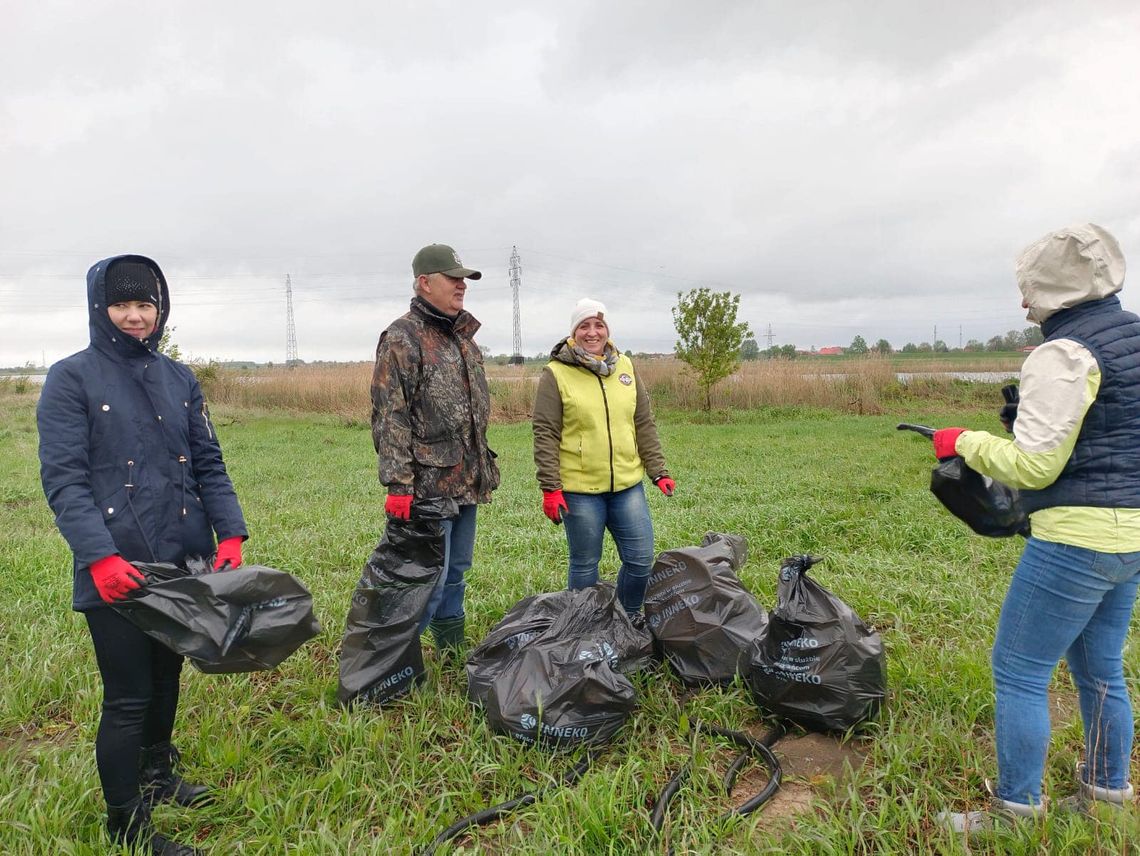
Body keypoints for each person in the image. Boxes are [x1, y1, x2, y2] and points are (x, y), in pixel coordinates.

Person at [37, 255, 248, 855]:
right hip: (118, 569)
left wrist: (228, 534)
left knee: (167, 679)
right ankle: (125, 822)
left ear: (162, 309)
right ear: (99, 308)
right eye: (122, 305)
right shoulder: (70, 378)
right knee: (128, 696)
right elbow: (64, 480)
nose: (135, 316)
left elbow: (208, 461)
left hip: (182, 561)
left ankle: (158, 775)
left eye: (146, 305)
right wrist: (99, 559)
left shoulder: (179, 379)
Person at [935, 224, 1139, 833]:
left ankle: (1014, 811)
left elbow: (1034, 464)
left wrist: (964, 441)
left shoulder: (1064, 353)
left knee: (1019, 669)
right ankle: (1107, 792)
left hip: (1077, 537)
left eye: (1032, 289)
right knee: (1101, 666)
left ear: (1058, 288)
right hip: (1132, 533)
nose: (1025, 304)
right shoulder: (1131, 339)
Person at [370, 243, 500, 654]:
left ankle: (450, 648)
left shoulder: (462, 337)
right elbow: (391, 414)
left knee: (458, 569)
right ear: (425, 283)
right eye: (453, 277)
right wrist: (398, 485)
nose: (462, 285)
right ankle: (395, 659)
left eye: (464, 278)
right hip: (427, 484)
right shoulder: (402, 337)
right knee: (429, 574)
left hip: (467, 476)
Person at [532, 298, 675, 615]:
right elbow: (545, 432)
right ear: (574, 332)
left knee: (640, 560)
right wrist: (550, 488)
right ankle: (582, 626)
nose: (592, 332)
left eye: (599, 325)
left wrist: (658, 471)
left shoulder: (625, 367)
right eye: (584, 326)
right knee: (585, 565)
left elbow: (642, 422)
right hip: (580, 490)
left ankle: (628, 618)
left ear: (608, 330)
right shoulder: (556, 374)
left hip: (627, 485)